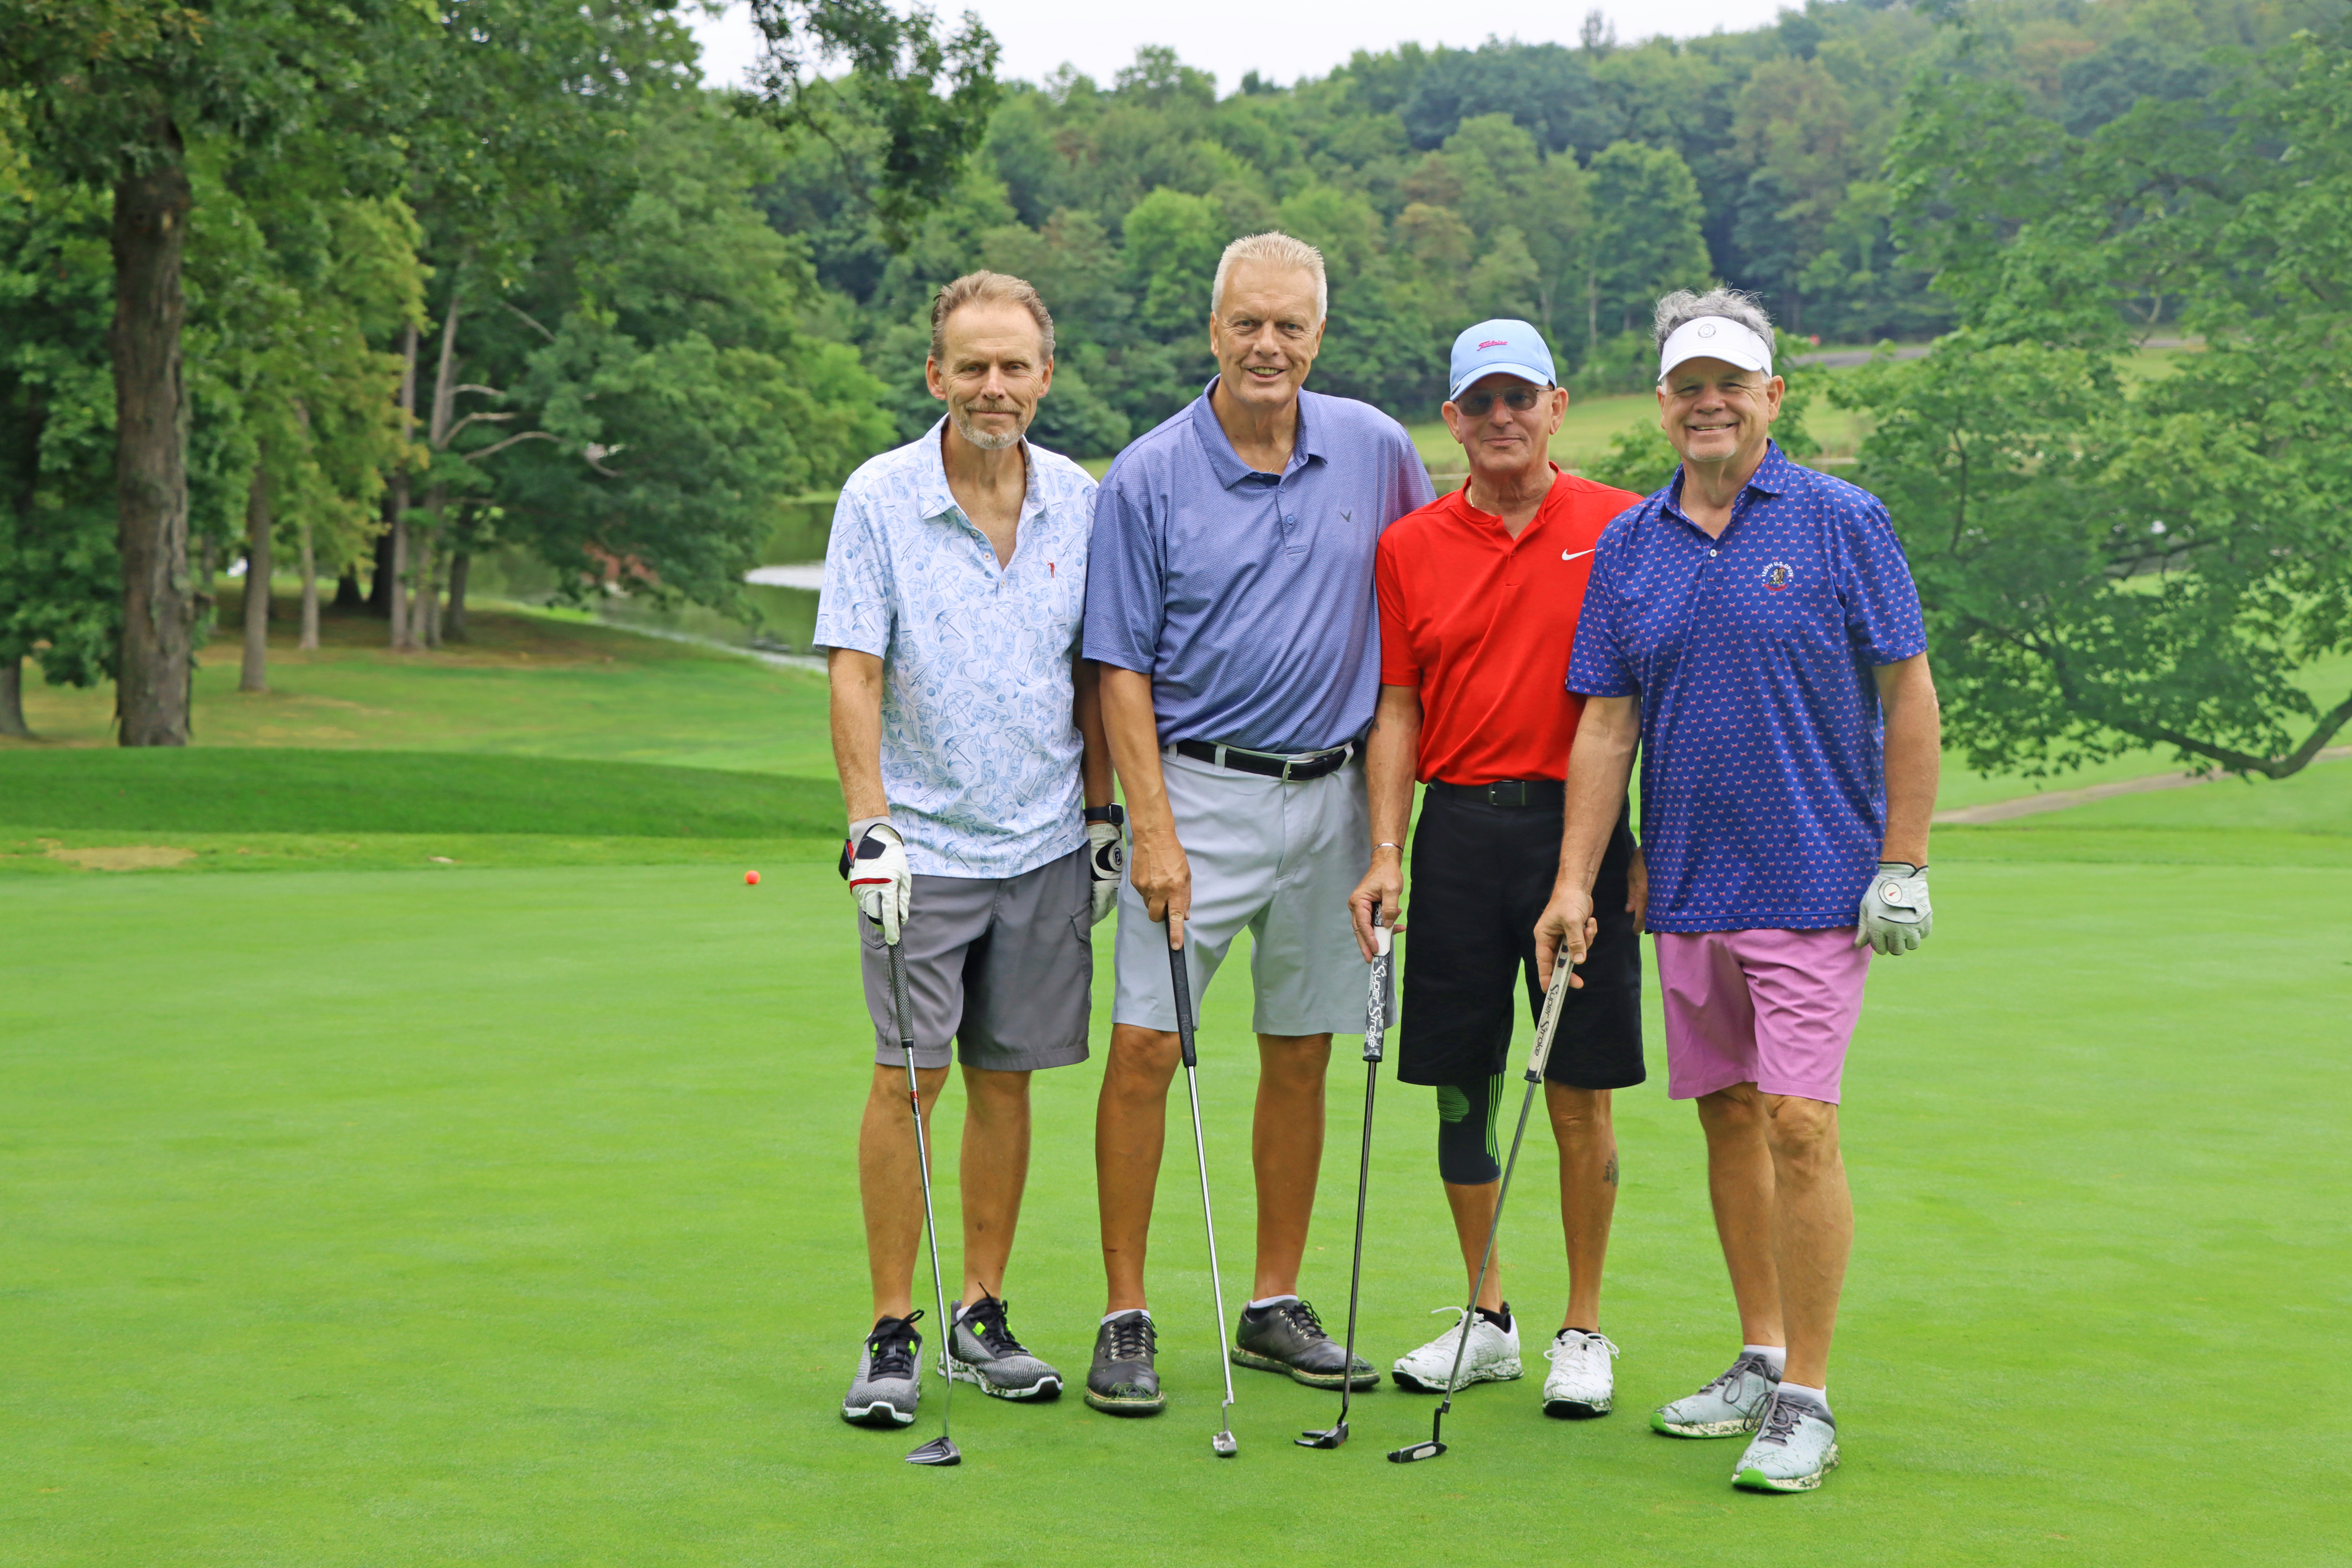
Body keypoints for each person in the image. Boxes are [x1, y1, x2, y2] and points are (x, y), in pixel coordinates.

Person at [1535, 288, 1940, 1493]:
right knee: (1726, 1117)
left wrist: (1906, 859)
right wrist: (1575, 881)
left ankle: (1808, 1399)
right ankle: (1762, 1356)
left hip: (1819, 881)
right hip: (1692, 889)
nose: (1709, 403)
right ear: (1664, 405)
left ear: (1772, 396)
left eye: (1732, 383)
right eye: (1687, 385)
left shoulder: (1842, 520)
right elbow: (1607, 726)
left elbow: (1907, 692)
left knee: (1800, 1125)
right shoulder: (1631, 546)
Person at [1081, 231, 1435, 1414]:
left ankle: (1273, 1301)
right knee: (1145, 1050)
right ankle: (1126, 1314)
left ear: (1319, 335)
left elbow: (1419, 613)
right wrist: (1155, 829)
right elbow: (1119, 670)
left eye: (1291, 325)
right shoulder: (1147, 474)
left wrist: (1391, 835)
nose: (1268, 346)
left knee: (1302, 1053)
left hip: (1334, 797)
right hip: (1198, 793)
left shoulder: (1379, 451)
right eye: (1248, 324)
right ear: (1214, 329)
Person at [816, 271, 1124, 1430]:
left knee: (1007, 1079)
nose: (995, 386)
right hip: (923, 848)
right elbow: (855, 666)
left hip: (1045, 841)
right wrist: (870, 827)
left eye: (1016, 367)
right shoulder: (880, 497)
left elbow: (1096, 677)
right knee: (908, 1078)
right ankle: (893, 1328)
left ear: (1046, 377)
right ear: (936, 375)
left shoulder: (1081, 501)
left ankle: (981, 1311)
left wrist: (1101, 818)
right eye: (973, 366)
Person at [1346, 319, 1647, 1420]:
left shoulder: (1624, 525)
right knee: (1460, 1092)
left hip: (1583, 835)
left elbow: (1642, 703)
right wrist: (1386, 852)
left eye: (1521, 398)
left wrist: (1636, 844)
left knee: (1578, 1096)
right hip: (1459, 834)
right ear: (1455, 420)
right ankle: (1489, 1317)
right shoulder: (1411, 545)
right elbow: (1398, 707)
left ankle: (1583, 1326)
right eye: (1481, 404)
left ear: (1558, 406)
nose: (1502, 419)